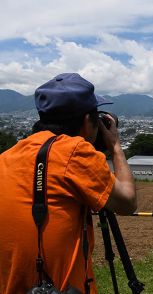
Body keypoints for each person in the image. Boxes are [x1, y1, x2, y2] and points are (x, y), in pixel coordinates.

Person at [0, 73, 137, 293]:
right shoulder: (75, 152)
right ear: (86, 121)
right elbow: (127, 203)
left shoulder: (7, 156)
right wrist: (116, 147)